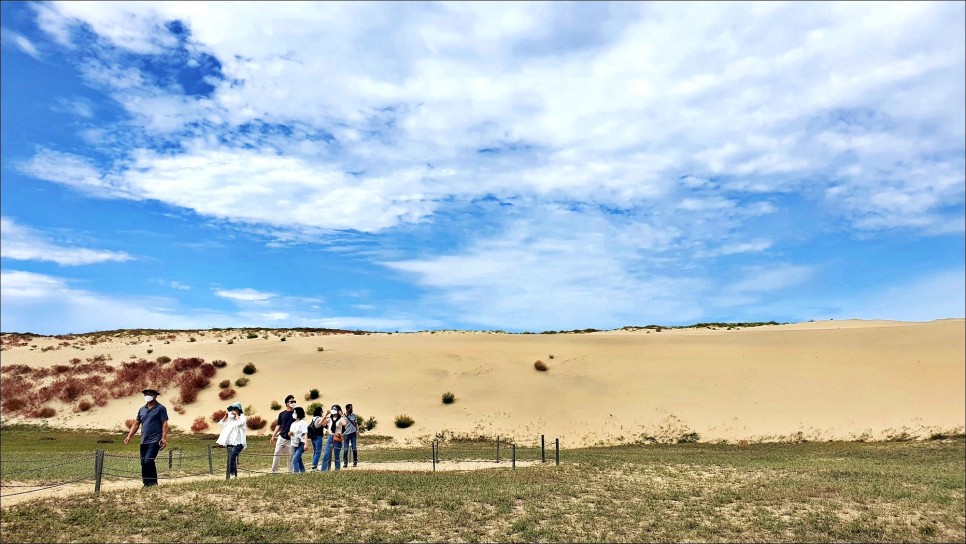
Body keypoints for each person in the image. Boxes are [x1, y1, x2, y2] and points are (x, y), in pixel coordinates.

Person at [123, 388, 168, 488]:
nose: (147, 395)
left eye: (150, 394)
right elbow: (136, 424)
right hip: (144, 440)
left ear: (155, 396)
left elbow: (164, 423)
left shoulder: (161, 408)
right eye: (146, 394)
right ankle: (146, 483)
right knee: (143, 462)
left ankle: (153, 483)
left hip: (155, 440)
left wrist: (164, 438)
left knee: (148, 460)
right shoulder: (142, 409)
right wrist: (129, 436)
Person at [216, 402, 247, 479]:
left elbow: (239, 423)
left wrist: (236, 415)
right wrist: (225, 416)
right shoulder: (230, 419)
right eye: (232, 410)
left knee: (231, 457)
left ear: (238, 410)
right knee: (231, 459)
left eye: (234, 409)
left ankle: (232, 474)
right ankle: (234, 476)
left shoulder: (242, 418)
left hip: (239, 443)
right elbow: (221, 424)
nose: (232, 411)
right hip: (230, 443)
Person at [269, 394, 297, 473]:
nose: (293, 403)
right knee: (277, 454)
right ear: (287, 403)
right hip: (281, 437)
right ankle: (274, 471)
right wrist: (273, 436)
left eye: (294, 401)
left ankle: (290, 472)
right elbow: (278, 426)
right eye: (291, 401)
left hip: (291, 439)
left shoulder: (296, 414)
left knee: (290, 456)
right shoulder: (282, 414)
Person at [320, 404, 345, 471]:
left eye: (335, 409)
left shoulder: (340, 419)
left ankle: (337, 470)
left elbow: (344, 423)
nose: (333, 410)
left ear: (338, 410)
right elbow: (321, 423)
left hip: (337, 437)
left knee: (337, 456)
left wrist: (342, 415)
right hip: (330, 437)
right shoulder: (329, 419)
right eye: (332, 409)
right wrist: (325, 415)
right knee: (326, 455)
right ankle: (323, 471)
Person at [288, 407, 308, 474]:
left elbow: (305, 433)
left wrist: (306, 444)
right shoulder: (292, 424)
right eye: (293, 412)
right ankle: (303, 472)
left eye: (295, 412)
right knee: (298, 459)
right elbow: (290, 433)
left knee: (295, 458)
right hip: (294, 443)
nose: (293, 414)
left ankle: (296, 473)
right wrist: (290, 433)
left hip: (301, 443)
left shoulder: (303, 422)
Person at [341, 403, 359, 468]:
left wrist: (357, 430)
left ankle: (355, 462)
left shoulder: (354, 415)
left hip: (353, 433)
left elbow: (356, 423)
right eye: (350, 408)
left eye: (352, 408)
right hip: (346, 434)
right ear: (347, 409)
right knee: (345, 449)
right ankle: (345, 463)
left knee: (354, 448)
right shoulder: (343, 416)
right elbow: (341, 425)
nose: (351, 409)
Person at [309, 406, 325, 471]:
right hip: (318, 437)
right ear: (320, 412)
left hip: (313, 437)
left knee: (315, 452)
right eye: (322, 411)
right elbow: (318, 426)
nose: (322, 412)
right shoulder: (319, 419)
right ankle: (314, 466)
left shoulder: (313, 418)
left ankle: (314, 465)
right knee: (318, 452)